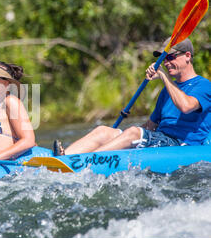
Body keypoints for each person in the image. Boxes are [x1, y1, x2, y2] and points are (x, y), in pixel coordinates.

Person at [54, 38, 211, 156]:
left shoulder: (204, 86)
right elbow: (151, 125)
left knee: (134, 133)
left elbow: (186, 106)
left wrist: (164, 77)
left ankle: (86, 161)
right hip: (161, 139)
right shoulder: (167, 91)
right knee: (104, 131)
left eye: (170, 57)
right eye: (163, 59)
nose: (166, 63)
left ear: (188, 56)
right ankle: (64, 158)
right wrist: (119, 137)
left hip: (182, 146)